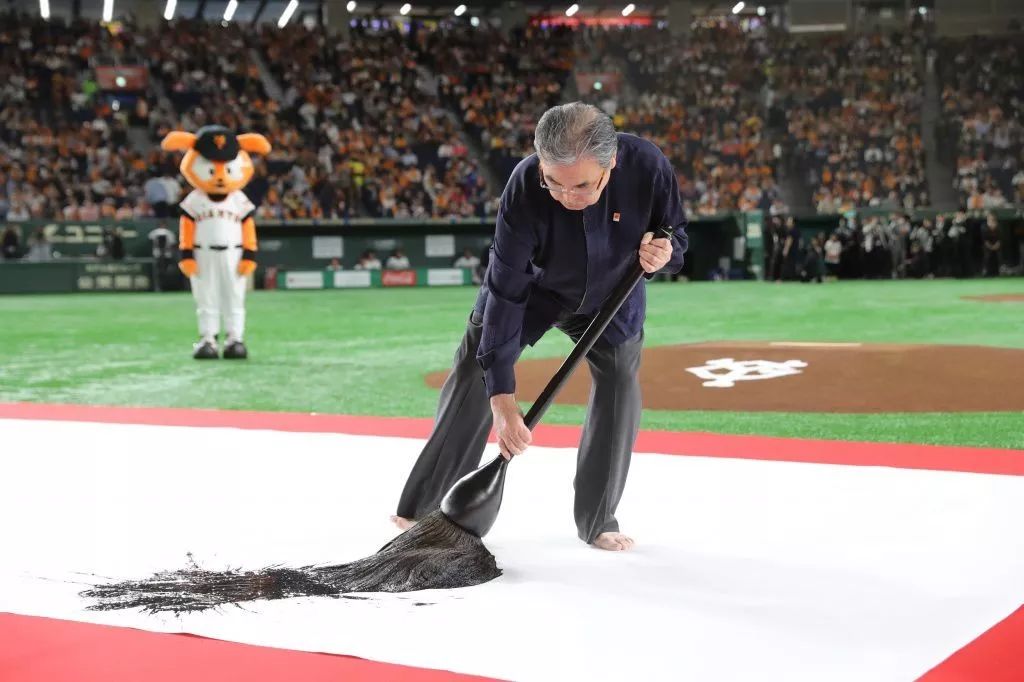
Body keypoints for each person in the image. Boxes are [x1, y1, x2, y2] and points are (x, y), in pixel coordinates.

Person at [392, 102, 688, 552]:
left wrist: (665, 252)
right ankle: (425, 506)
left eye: (583, 185)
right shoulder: (524, 186)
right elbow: (505, 291)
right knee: (476, 368)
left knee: (619, 386)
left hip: (613, 294)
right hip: (537, 289)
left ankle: (598, 519)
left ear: (611, 163)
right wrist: (503, 401)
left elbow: (675, 234)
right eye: (555, 183)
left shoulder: (648, 164)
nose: (568, 196)